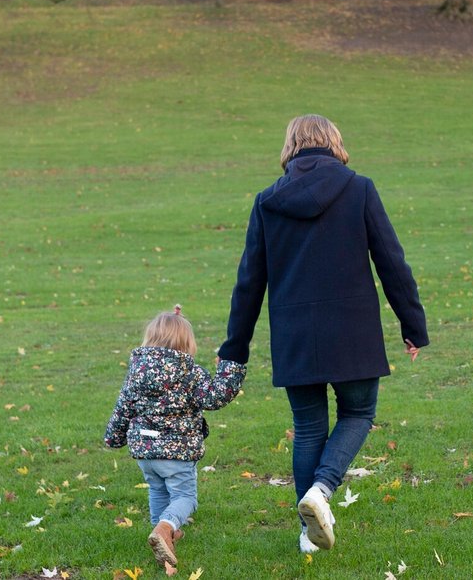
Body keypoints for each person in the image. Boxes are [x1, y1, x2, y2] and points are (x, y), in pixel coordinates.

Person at [216, 114, 428, 553]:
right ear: (334, 142)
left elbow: (248, 282)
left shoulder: (266, 201)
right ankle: (322, 491)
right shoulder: (359, 188)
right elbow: (392, 261)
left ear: (291, 146)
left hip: (296, 336)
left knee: (309, 428)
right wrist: (413, 326)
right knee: (358, 414)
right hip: (353, 332)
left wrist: (234, 349)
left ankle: (308, 534)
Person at [104, 305, 247, 573]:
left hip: (145, 451)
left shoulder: (137, 370)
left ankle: (166, 538)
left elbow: (123, 406)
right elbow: (214, 397)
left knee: (158, 490)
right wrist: (231, 367)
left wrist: (113, 437)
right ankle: (166, 527)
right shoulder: (188, 371)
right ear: (186, 343)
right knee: (185, 497)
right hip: (177, 451)